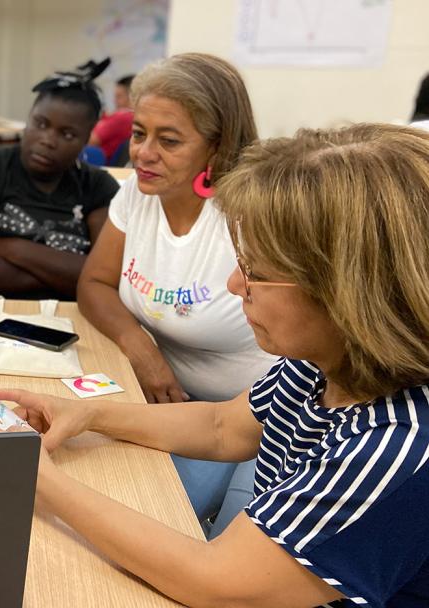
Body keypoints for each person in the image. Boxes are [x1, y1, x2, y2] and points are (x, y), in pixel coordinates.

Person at [0, 123, 429, 608]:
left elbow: (217, 584)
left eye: (255, 271)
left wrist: (40, 481)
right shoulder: (326, 362)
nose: (235, 285)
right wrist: (88, 414)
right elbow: (222, 426)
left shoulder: (395, 446)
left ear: (349, 294)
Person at [76, 53, 276, 536]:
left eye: (168, 140)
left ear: (218, 146)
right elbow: (94, 283)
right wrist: (139, 346)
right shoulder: (136, 196)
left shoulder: (252, 217)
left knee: (204, 542)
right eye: (138, 133)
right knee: (120, 517)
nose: (143, 154)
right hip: (170, 406)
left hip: (259, 418)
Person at [0, 61, 120, 301]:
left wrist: (13, 248)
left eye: (67, 134)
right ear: (29, 118)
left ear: (86, 139)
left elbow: (109, 278)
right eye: (40, 124)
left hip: (69, 320)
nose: (47, 140)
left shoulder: (98, 187)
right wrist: (69, 279)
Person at [87, 74, 135, 163]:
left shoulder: (122, 117)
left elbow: (89, 140)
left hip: (99, 163)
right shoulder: (133, 117)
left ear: (132, 97)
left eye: (119, 96)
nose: (114, 101)